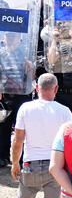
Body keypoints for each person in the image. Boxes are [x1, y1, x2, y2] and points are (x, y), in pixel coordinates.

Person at [9, 74, 72, 198]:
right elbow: (69, 144)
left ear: (37, 88)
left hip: (31, 164)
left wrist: (15, 162)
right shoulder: (65, 112)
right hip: (54, 167)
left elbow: (18, 140)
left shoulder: (26, 108)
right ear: (56, 89)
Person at [0, 32, 34, 168]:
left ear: (19, 39)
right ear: (4, 38)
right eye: (8, 37)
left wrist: (30, 68)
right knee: (3, 127)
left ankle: (21, 158)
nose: (11, 40)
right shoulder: (1, 53)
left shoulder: (25, 54)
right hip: (5, 95)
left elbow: (31, 76)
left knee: (21, 128)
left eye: (13, 37)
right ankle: (2, 156)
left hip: (22, 96)